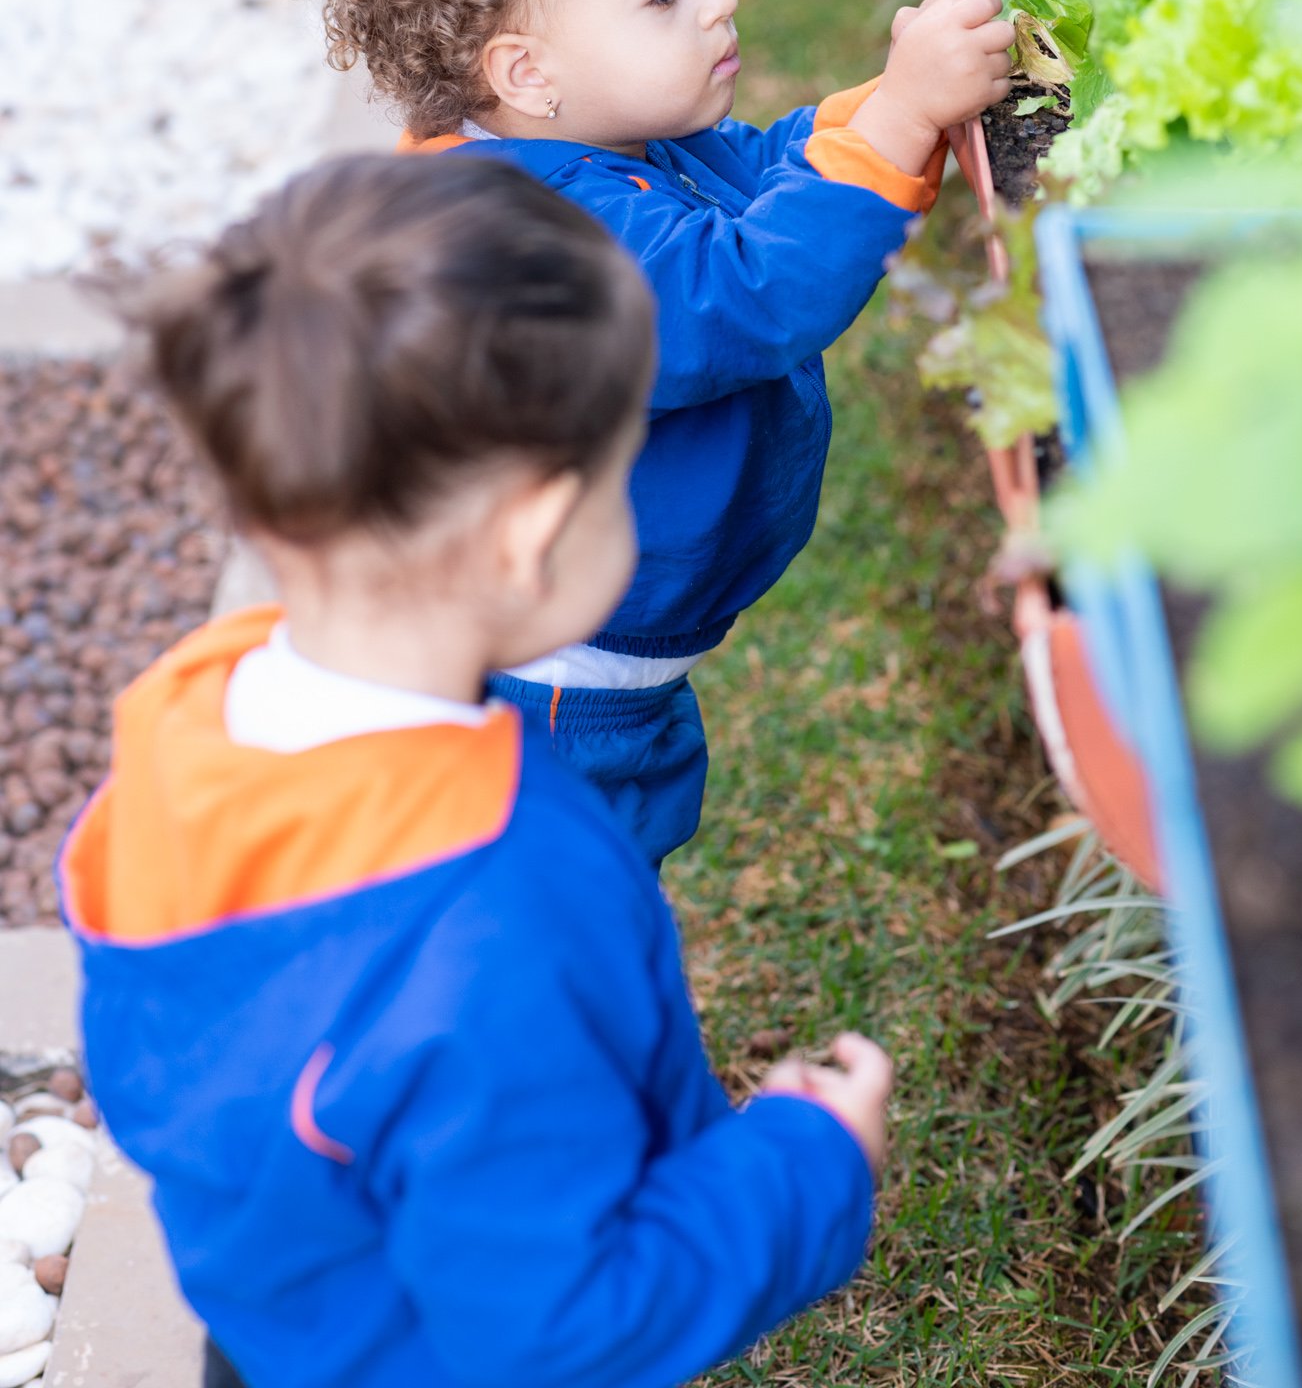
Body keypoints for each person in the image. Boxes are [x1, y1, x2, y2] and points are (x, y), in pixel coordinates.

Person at [60, 152, 895, 1388]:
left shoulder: (185, 718)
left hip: (280, 1321)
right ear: (534, 534)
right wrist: (805, 1161)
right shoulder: (500, 900)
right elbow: (564, 1327)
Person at [314, 0, 1011, 865]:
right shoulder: (520, 248)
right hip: (543, 696)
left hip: (602, 661)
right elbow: (743, 285)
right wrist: (895, 124)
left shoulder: (602, 148)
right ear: (525, 69)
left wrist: (895, 105)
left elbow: (774, 177)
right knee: (559, 917)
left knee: (601, 906)